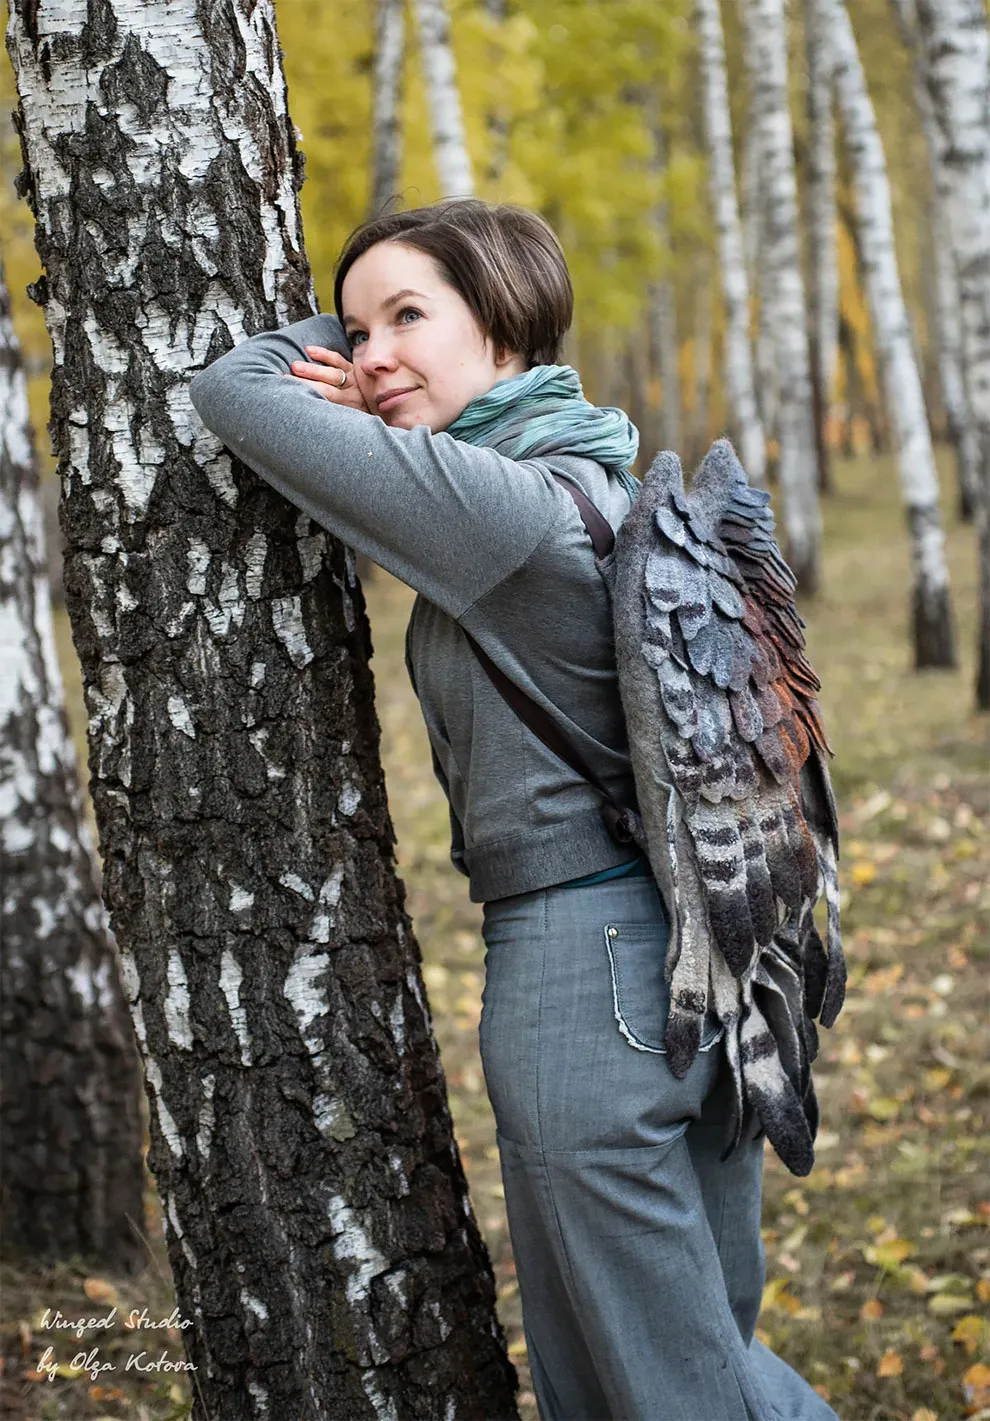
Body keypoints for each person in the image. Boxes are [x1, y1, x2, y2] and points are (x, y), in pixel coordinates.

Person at [189, 198, 836, 1421]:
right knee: (687, 1345)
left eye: (405, 317)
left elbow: (233, 392)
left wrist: (310, 346)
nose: (370, 353)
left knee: (653, 1381)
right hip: (703, 951)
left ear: (505, 328)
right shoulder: (597, 478)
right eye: (353, 323)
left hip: (585, 972)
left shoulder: (504, 508)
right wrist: (383, 342)